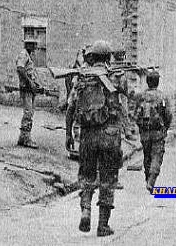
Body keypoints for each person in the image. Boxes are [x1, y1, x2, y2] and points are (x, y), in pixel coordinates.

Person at [65, 40, 127, 237]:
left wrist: (68, 133)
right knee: (108, 178)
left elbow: (70, 107)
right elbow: (131, 96)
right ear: (108, 57)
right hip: (110, 135)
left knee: (86, 175)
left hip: (88, 135)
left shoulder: (82, 78)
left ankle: (85, 210)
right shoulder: (117, 76)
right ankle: (103, 225)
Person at [133, 70, 172, 192]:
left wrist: (140, 127)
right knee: (157, 156)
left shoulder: (140, 96)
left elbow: (135, 114)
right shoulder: (162, 96)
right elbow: (168, 114)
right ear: (158, 82)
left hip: (144, 132)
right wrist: (166, 127)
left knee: (146, 155)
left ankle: (147, 178)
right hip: (157, 132)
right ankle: (151, 181)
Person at [15, 41, 42, 149]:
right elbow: (20, 69)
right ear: (27, 45)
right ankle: (26, 138)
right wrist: (29, 82)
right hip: (26, 88)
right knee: (28, 113)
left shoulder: (29, 55)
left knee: (29, 112)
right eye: (32, 44)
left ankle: (23, 137)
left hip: (30, 88)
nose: (35, 46)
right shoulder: (23, 54)